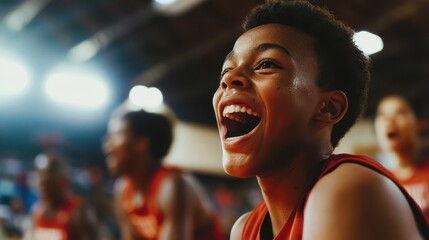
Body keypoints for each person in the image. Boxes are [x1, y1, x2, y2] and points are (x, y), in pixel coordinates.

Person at [212, 0, 428, 239]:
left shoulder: (348, 187)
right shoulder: (244, 229)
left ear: (329, 108)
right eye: (226, 71)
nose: (230, 79)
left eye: (266, 64)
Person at [102, 108, 224, 240]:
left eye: (116, 134)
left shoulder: (173, 185)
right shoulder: (122, 189)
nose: (106, 143)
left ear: (142, 143)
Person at [374, 94, 429, 223]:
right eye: (382, 115)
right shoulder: (376, 184)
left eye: (400, 112)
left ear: (419, 124)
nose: (389, 120)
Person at [23, 150, 99, 240]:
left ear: (63, 181)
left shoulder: (77, 212)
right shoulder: (37, 212)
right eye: (39, 177)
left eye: (48, 181)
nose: (41, 183)